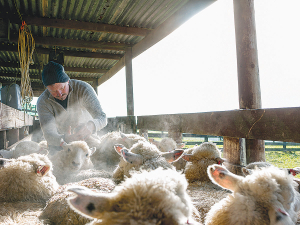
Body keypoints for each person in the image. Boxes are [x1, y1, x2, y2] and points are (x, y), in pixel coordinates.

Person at [37, 61, 107, 153]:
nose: (59, 94)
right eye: (53, 91)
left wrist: (92, 125)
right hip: (60, 144)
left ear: (68, 81)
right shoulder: (43, 101)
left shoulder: (84, 89)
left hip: (87, 140)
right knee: (57, 164)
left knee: (97, 159)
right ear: (47, 89)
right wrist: (65, 138)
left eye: (62, 88)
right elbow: (49, 134)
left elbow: (102, 117)